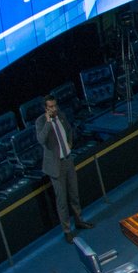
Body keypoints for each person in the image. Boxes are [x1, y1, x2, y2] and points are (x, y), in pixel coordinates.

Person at [38, 96, 88, 237]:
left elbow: (68, 130)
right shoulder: (41, 121)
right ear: (45, 108)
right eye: (51, 107)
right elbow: (41, 140)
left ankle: (79, 220)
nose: (54, 109)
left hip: (67, 160)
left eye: (55, 106)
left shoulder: (61, 115)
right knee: (62, 201)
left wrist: (69, 144)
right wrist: (48, 123)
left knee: (74, 194)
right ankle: (67, 230)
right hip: (55, 165)